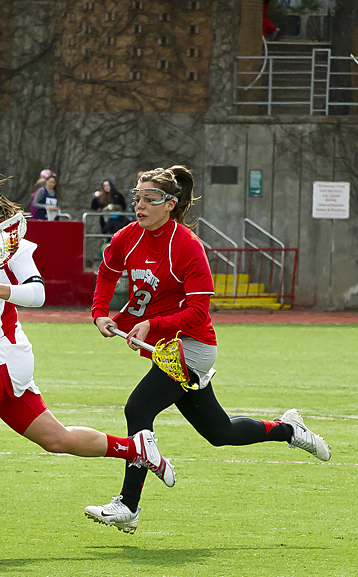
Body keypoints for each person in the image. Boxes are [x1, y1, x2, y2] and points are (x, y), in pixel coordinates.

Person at [0, 170, 174, 529]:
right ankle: (137, 450)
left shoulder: (7, 245)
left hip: (6, 354)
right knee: (56, 439)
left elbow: (38, 293)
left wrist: (3, 290)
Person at [88, 165, 330, 534]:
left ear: (170, 204)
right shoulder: (127, 236)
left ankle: (128, 506)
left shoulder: (187, 246)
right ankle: (288, 430)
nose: (139, 205)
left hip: (193, 346)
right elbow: (106, 273)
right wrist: (100, 313)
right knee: (220, 432)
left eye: (149, 199)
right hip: (164, 347)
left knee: (138, 408)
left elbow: (198, 312)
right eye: (137, 197)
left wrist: (153, 324)